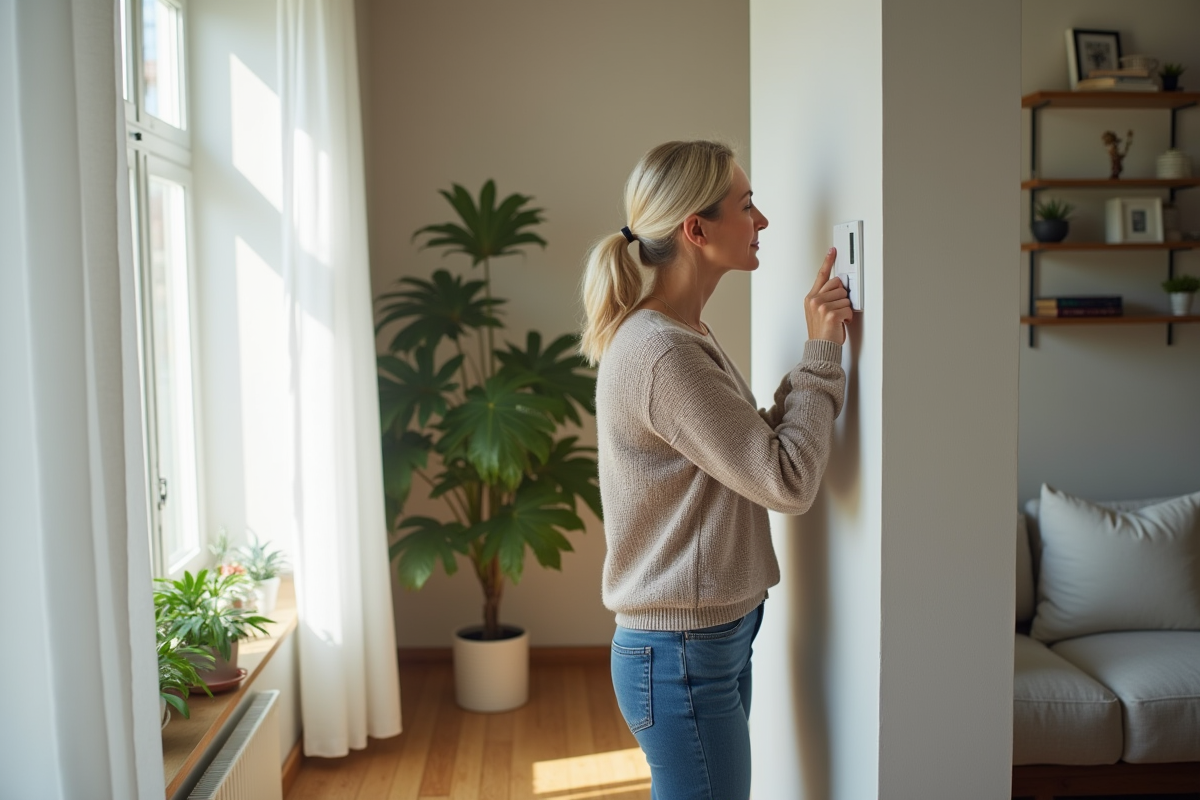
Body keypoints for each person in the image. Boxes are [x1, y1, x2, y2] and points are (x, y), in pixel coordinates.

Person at [579, 140, 851, 800]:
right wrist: (820, 357)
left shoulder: (682, 334)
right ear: (696, 230)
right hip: (681, 654)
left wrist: (815, 361)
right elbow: (784, 478)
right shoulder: (662, 353)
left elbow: (745, 444)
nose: (761, 223)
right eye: (747, 206)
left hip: (705, 640)